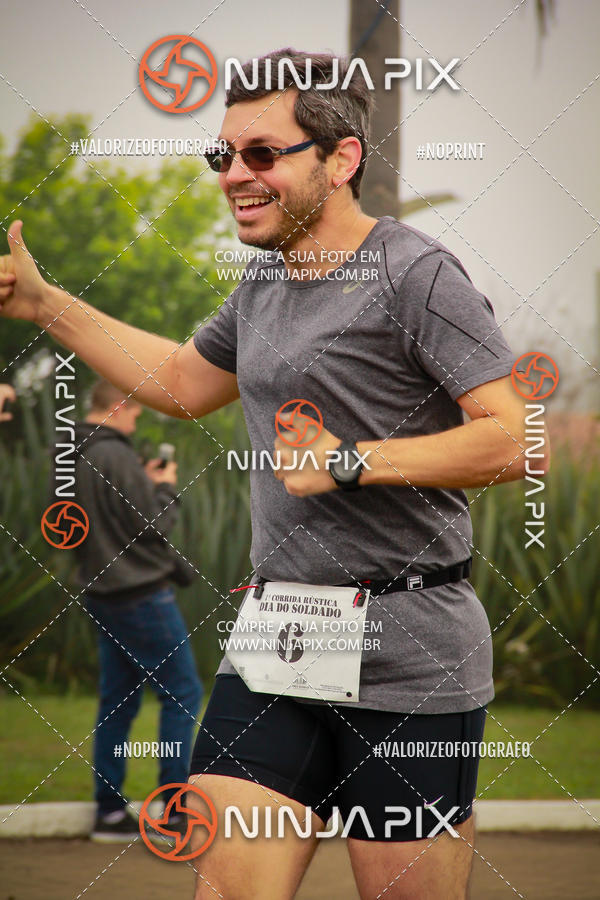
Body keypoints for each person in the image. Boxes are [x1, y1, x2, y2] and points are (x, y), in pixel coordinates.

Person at [0, 47, 545, 897]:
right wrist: (44, 305)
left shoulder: (416, 275)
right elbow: (181, 382)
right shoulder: (264, 284)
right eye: (224, 155)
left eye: (262, 153)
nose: (234, 175)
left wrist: (351, 463)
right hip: (280, 638)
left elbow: (516, 439)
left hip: (411, 651)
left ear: (341, 159)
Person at [51, 378, 203, 842]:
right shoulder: (114, 453)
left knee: (116, 702)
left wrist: (144, 485)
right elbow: (153, 525)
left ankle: (110, 813)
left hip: (102, 594)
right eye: (135, 413)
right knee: (182, 693)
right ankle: (174, 810)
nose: (136, 423)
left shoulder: (70, 454)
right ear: (117, 407)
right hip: (141, 595)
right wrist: (166, 487)